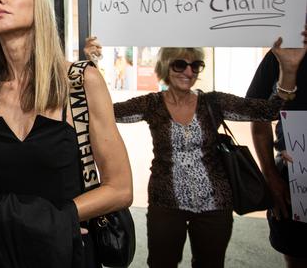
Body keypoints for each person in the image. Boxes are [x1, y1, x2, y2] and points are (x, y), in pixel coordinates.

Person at [0, 0, 133, 268]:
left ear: (38, 5)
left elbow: (120, 188)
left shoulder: (80, 81)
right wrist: (29, 226)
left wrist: (55, 223)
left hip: (71, 250)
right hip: (7, 254)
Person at [85, 34, 305, 267]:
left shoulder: (214, 102)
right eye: (180, 64)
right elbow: (105, 110)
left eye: (195, 66)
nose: (188, 72)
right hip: (165, 203)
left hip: (214, 205)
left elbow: (269, 111)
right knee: (161, 262)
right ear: (166, 66)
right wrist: (93, 65)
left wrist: (288, 69)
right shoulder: (152, 104)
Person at [247, 23, 307, 268]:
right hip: (294, 179)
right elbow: (256, 116)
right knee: (298, 254)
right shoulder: (281, 55)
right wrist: (270, 176)